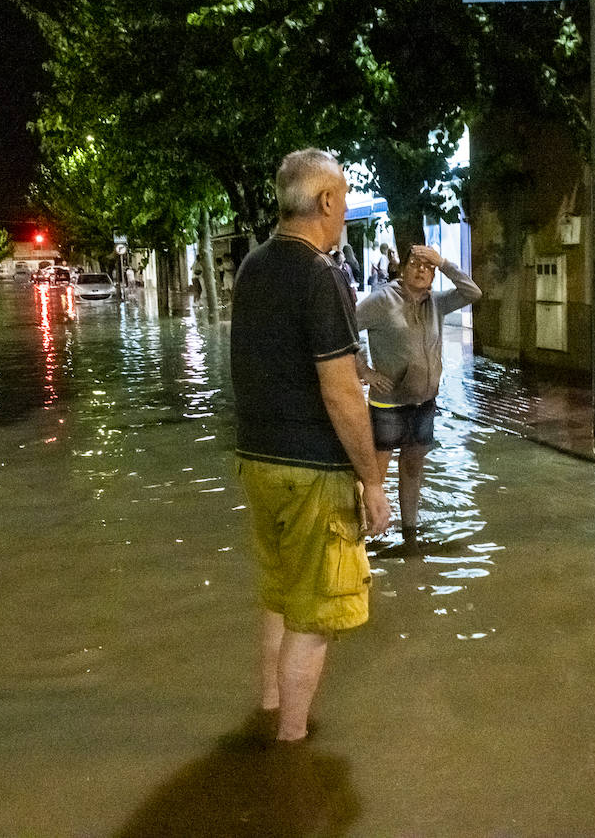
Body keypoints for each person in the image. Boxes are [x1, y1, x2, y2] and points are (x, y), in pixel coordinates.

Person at [230, 148, 390, 744]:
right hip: (311, 473)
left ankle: (269, 708)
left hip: (257, 461)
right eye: (344, 202)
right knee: (317, 612)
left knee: (280, 593)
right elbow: (341, 393)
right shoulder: (322, 274)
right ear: (326, 201)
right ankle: (291, 746)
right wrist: (373, 480)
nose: (345, 213)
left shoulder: (253, 267)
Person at [356, 244, 482, 547]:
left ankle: (410, 534)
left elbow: (473, 293)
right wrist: (366, 371)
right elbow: (345, 329)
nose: (422, 269)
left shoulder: (437, 303)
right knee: (375, 474)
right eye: (415, 263)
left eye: (428, 266)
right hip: (388, 404)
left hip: (424, 402)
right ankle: (369, 536)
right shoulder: (381, 301)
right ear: (402, 267)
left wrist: (445, 262)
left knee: (412, 467)